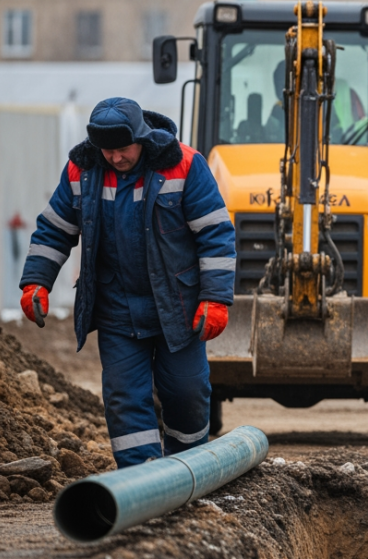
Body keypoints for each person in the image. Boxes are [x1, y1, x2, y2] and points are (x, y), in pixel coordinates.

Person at [19, 97, 236, 468]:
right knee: (124, 398)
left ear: (142, 138)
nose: (115, 158)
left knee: (186, 393)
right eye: (107, 150)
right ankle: (142, 478)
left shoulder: (184, 165)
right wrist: (37, 281)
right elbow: (55, 230)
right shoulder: (81, 171)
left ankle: (189, 468)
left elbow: (215, 234)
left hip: (178, 310)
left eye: (122, 149)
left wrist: (216, 298)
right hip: (117, 310)